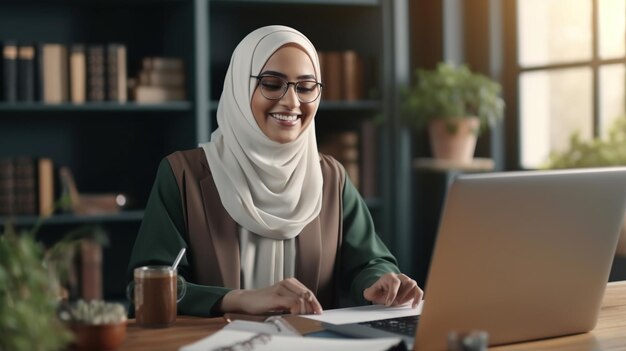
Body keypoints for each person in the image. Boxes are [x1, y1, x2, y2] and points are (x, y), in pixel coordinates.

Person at [126, 25, 423, 317]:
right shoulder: (183, 176)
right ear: (241, 87)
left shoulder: (330, 178)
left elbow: (369, 262)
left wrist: (380, 280)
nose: (292, 102)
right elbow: (143, 289)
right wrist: (239, 300)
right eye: (271, 83)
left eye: (306, 87)